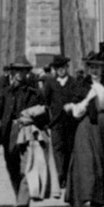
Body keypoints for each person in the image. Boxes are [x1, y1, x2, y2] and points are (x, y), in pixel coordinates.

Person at [0, 55, 49, 207]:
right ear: (13, 72)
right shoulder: (5, 92)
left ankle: (21, 204)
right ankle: (20, 197)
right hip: (9, 134)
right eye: (17, 71)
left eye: (23, 71)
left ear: (27, 72)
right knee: (12, 168)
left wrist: (33, 119)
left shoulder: (34, 92)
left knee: (26, 168)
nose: (20, 74)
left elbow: (45, 112)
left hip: (27, 133)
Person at [63, 56, 104, 207]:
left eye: (98, 67)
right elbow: (73, 106)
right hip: (85, 126)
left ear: (103, 68)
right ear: (88, 69)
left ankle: (99, 201)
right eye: (91, 67)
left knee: (103, 163)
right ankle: (87, 198)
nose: (95, 71)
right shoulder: (80, 85)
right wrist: (76, 106)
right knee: (86, 162)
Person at [40, 54, 85, 193]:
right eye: (58, 68)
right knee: (58, 148)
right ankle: (61, 176)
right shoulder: (51, 83)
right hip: (56, 122)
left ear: (67, 67)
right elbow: (45, 102)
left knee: (69, 149)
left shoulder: (74, 82)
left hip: (72, 122)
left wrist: (72, 105)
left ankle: (67, 174)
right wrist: (47, 120)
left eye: (63, 67)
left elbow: (79, 98)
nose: (60, 70)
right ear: (55, 69)